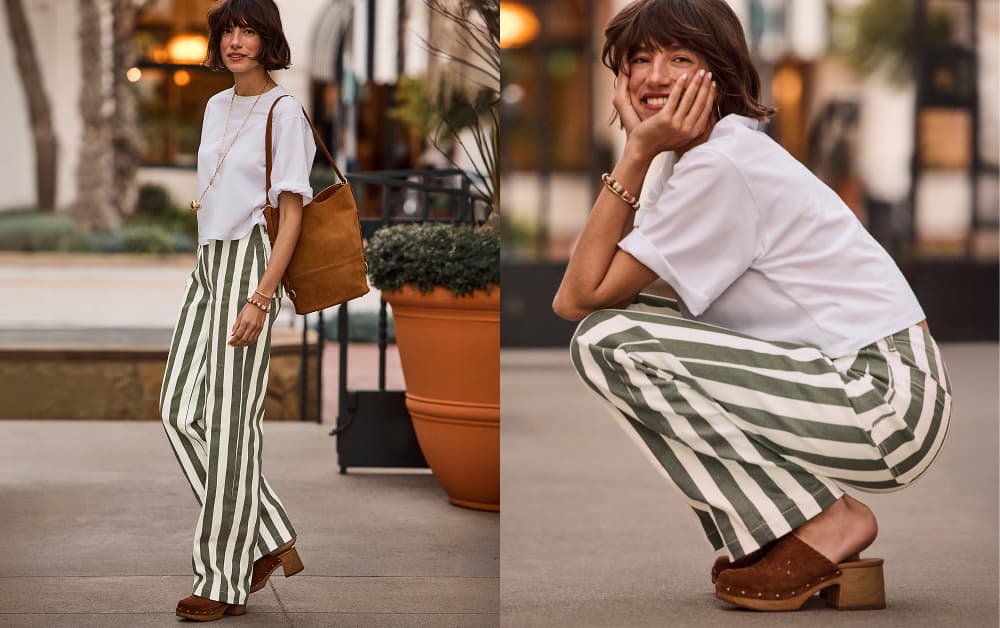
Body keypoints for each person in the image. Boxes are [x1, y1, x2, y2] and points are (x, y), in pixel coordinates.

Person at [553, 0, 952, 613]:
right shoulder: (694, 164)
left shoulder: (721, 165)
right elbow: (588, 291)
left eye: (679, 58)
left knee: (607, 340)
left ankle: (824, 523)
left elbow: (579, 300)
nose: (654, 76)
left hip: (886, 397)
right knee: (620, 329)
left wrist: (634, 152)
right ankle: (800, 523)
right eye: (639, 60)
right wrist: (641, 154)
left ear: (719, 73)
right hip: (861, 384)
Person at [159, 0, 315, 621]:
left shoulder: (284, 112)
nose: (236, 41)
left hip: (254, 263)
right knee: (176, 410)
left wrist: (261, 296)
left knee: (228, 424)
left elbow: (293, 216)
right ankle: (271, 531)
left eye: (248, 30)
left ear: (268, 39)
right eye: (227, 30)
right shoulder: (215, 106)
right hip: (209, 264)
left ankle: (220, 578)